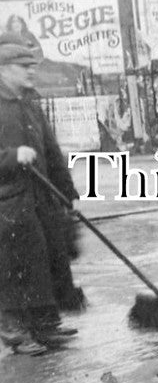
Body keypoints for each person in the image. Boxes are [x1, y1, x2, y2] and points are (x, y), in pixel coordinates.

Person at [0, 33, 83, 355]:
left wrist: (67, 192)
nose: (31, 71)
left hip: (38, 196)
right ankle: (14, 330)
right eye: (23, 66)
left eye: (31, 65)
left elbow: (51, 151)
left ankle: (45, 324)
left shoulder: (30, 103)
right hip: (7, 201)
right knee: (13, 266)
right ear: (3, 69)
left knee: (45, 258)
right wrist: (11, 156)